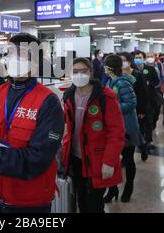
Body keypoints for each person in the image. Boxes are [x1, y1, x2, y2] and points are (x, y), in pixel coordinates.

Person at [0, 33, 64, 213]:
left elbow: (41, 156)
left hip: (31, 202)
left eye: (21, 54)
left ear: (35, 62)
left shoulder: (49, 102)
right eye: (9, 53)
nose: (12, 58)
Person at [60, 57, 125, 213]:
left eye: (84, 71)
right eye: (75, 72)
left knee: (94, 205)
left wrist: (109, 162)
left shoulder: (104, 97)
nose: (79, 75)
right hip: (75, 159)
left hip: (97, 160)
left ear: (91, 73)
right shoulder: (68, 95)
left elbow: (116, 132)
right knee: (81, 203)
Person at [103, 55, 140, 203]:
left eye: (105, 66)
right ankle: (113, 190)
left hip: (127, 127)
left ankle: (128, 189)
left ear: (109, 68)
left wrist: (112, 108)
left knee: (128, 159)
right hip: (114, 127)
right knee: (112, 159)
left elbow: (131, 103)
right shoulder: (111, 81)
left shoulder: (122, 83)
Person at [120, 52, 149, 161]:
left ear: (129, 61)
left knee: (137, 132)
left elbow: (143, 94)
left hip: (136, 108)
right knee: (126, 134)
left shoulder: (138, 74)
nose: (122, 63)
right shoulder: (118, 75)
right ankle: (126, 156)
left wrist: (142, 110)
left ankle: (142, 146)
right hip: (124, 109)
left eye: (124, 60)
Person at [134, 51, 160, 149]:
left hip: (149, 98)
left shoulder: (150, 69)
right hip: (137, 99)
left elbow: (157, 81)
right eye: (136, 57)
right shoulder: (132, 71)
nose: (138, 59)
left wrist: (149, 83)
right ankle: (140, 139)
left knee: (149, 120)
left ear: (143, 58)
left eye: (139, 57)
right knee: (139, 121)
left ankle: (148, 140)